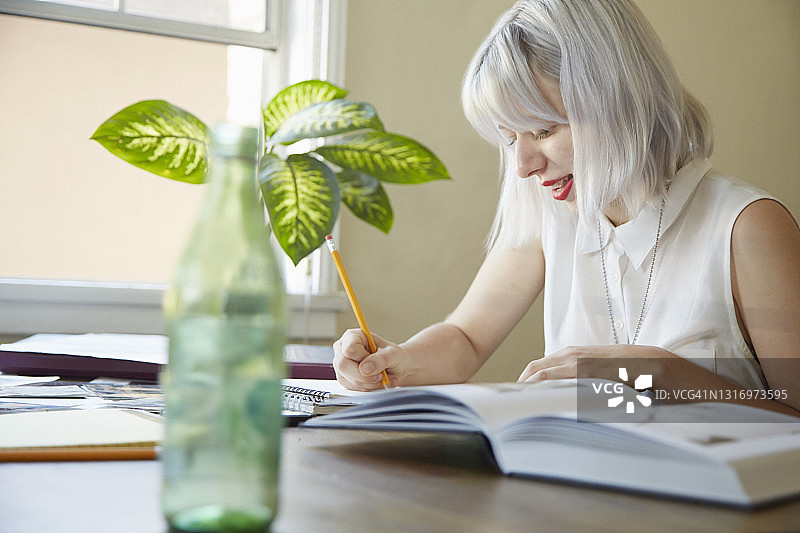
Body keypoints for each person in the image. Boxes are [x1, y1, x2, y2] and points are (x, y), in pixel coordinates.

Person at [332, 0, 800, 416]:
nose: (523, 166)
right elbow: (466, 339)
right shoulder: (549, 212)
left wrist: (657, 372)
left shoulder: (748, 226)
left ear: (623, 98)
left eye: (542, 131)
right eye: (508, 138)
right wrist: (396, 361)